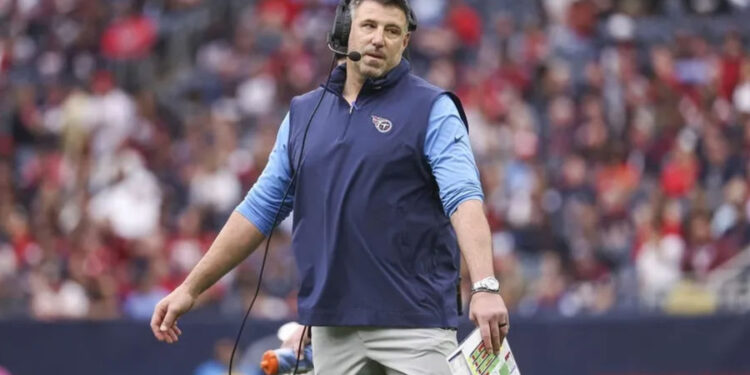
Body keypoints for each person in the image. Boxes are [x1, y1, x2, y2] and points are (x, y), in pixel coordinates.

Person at [150, 0, 510, 373]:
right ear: (344, 32)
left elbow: (464, 199)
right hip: (331, 328)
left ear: (405, 43)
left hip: (415, 325)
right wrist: (190, 288)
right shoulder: (304, 114)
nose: (378, 39)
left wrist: (484, 285)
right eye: (369, 25)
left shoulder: (433, 108)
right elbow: (259, 210)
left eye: (391, 31)